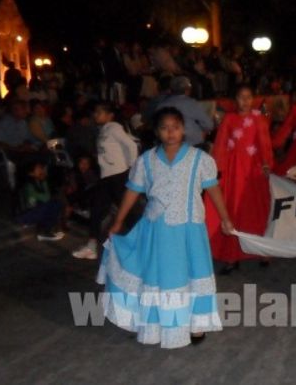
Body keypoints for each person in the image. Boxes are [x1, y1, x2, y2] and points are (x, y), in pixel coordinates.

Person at [97, 106, 234, 348]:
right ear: (157, 132)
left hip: (190, 231)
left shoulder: (200, 160)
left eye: (176, 127)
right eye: (164, 128)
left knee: (192, 275)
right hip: (158, 232)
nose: (170, 133)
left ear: (183, 129)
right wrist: (118, 221)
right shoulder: (146, 161)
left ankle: (196, 324)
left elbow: (213, 189)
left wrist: (225, 218)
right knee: (164, 278)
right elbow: (132, 191)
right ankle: (161, 325)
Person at [204, 86, 274, 273]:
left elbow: (264, 143)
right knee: (232, 210)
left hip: (253, 171)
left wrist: (267, 164)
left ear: (253, 99)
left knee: (256, 209)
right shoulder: (229, 118)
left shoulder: (259, 119)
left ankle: (262, 251)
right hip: (234, 171)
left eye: (248, 97)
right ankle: (231, 255)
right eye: (241, 97)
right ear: (235, 100)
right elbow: (220, 144)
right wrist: (217, 169)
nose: (245, 101)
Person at [72, 102, 138, 260]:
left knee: (128, 213)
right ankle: (92, 246)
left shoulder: (114, 127)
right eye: (95, 112)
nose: (96, 115)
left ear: (110, 115)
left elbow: (131, 146)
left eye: (100, 113)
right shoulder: (102, 130)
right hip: (107, 177)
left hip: (118, 176)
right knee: (97, 209)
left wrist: (132, 167)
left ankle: (144, 243)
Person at [156, 76, 214, 147]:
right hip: (192, 143)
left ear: (171, 90)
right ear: (187, 90)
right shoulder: (192, 103)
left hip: (167, 144)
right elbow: (208, 124)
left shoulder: (161, 105)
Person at [16, 162, 65, 241]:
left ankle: (45, 231)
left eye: (41, 169)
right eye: (38, 169)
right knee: (51, 205)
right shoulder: (28, 184)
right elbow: (44, 198)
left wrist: (44, 181)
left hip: (36, 211)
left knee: (56, 204)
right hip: (26, 215)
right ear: (31, 172)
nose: (41, 171)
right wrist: (44, 181)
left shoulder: (39, 181)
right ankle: (45, 232)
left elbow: (47, 197)